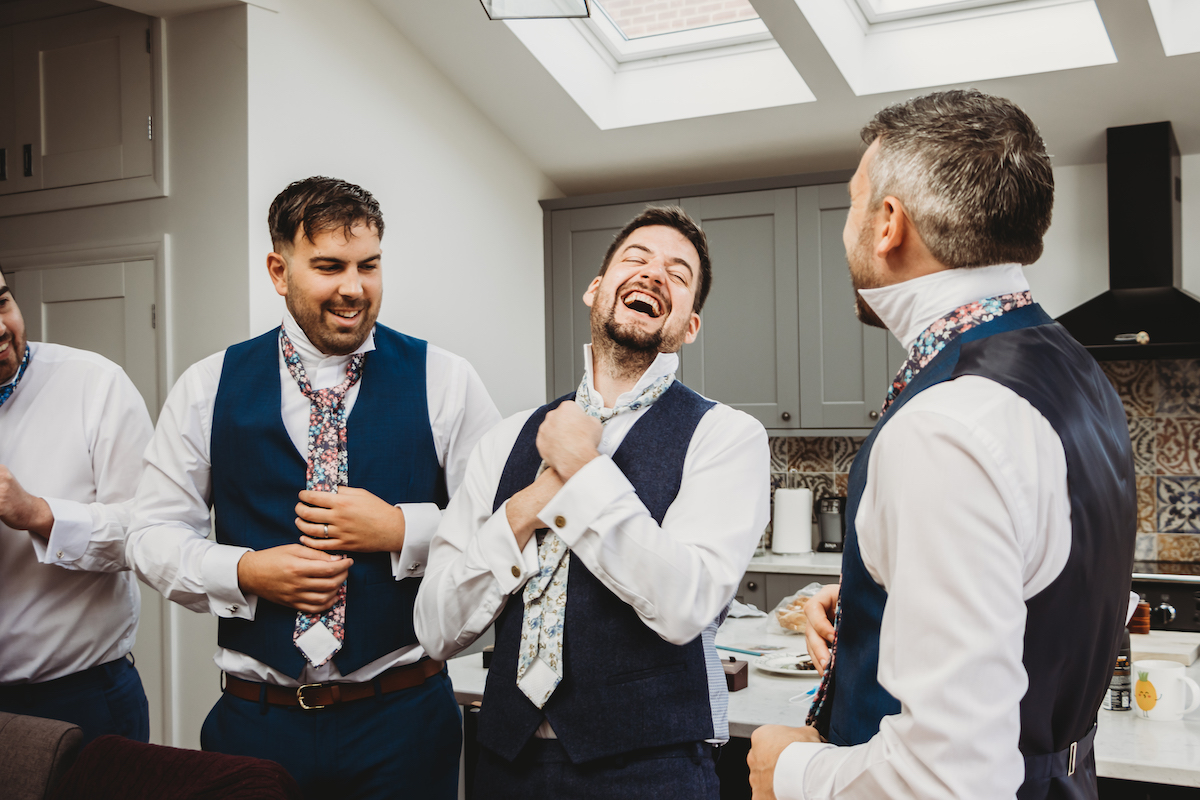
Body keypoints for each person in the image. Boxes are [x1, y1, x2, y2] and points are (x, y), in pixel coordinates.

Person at [747, 90, 1136, 800]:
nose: (846, 233)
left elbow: (950, 778)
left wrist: (788, 771)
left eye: (853, 204)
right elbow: (1042, 589)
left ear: (888, 223)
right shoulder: (1074, 370)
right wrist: (884, 597)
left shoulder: (949, 422)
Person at [126, 177, 501, 799]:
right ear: (279, 270)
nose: (353, 288)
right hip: (257, 723)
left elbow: (504, 525)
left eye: (368, 266)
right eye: (329, 266)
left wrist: (403, 530)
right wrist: (243, 570)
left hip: (403, 720)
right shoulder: (206, 386)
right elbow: (148, 535)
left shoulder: (446, 378)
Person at [416, 205, 770, 799]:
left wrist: (582, 470)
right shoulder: (506, 439)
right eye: (636, 258)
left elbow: (686, 605)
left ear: (690, 327)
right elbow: (434, 628)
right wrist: (531, 504)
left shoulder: (726, 437)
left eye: (678, 275)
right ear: (596, 289)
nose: (655, 273)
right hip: (505, 766)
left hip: (652, 773)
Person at [0, 267, 154, 744]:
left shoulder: (94, 384)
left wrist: (38, 514)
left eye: (2, 301)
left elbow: (149, 534)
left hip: (80, 703)